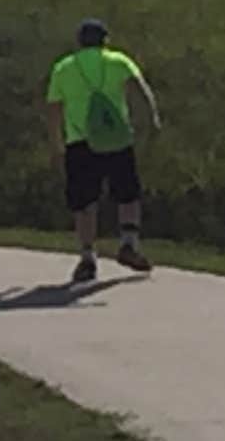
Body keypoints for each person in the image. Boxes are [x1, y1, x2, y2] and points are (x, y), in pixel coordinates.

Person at [43, 19, 158, 283]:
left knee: (84, 203)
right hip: (116, 138)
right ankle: (129, 242)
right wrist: (151, 121)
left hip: (80, 141)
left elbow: (53, 109)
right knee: (128, 194)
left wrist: (56, 145)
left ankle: (87, 257)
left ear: (79, 41)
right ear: (105, 40)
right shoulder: (118, 61)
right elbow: (142, 91)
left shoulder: (64, 68)